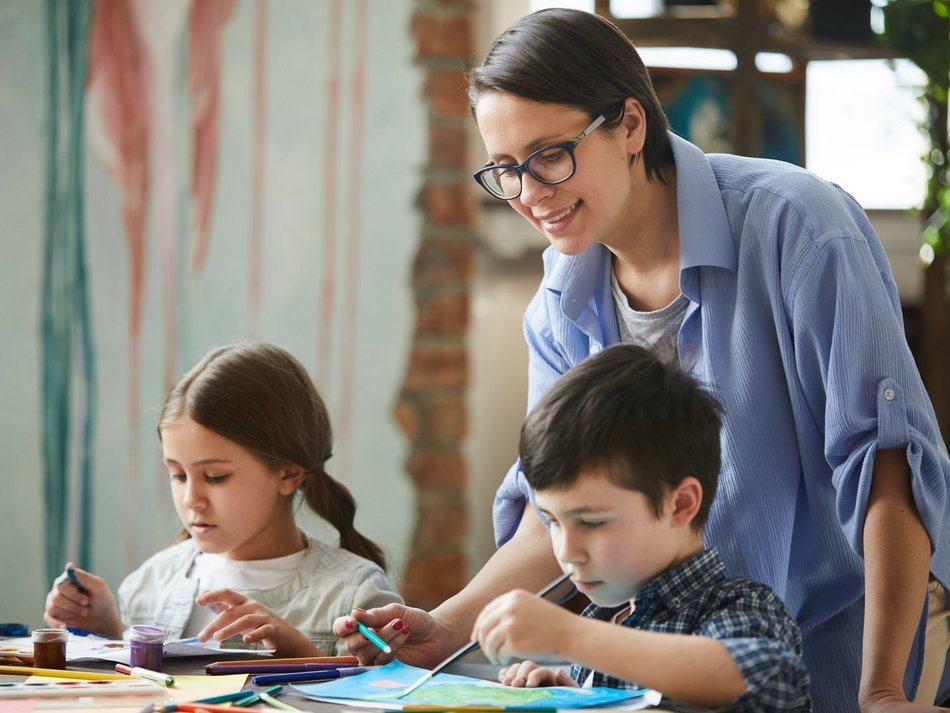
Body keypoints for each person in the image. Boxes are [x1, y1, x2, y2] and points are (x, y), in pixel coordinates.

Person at [333, 8, 950, 713]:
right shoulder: (560, 300)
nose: (530, 194)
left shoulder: (797, 227)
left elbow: (887, 469)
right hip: (650, 674)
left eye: (549, 155)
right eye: (506, 170)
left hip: (826, 664)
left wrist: (882, 690)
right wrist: (444, 627)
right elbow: (552, 511)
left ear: (629, 125)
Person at [473, 343, 811, 710]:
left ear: (681, 504)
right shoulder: (606, 619)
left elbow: (768, 677)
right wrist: (571, 696)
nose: (566, 552)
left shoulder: (738, 607)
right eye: (553, 521)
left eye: (591, 522)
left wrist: (569, 635)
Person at [44, 341, 402, 656]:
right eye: (177, 475)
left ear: (289, 474)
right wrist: (105, 633)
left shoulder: (354, 595)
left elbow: (386, 694)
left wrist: (296, 650)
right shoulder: (148, 586)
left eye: (215, 477)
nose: (191, 499)